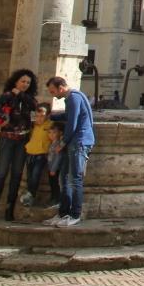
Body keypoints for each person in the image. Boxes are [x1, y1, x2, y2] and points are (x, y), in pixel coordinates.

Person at [44, 75, 95, 227]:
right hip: (75, 142)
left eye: (53, 91)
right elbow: (69, 116)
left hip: (79, 142)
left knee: (75, 179)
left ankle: (75, 214)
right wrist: (52, 116)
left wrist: (63, 141)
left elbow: (72, 122)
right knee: (64, 179)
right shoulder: (74, 97)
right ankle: (63, 213)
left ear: (61, 88)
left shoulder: (73, 98)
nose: (53, 95)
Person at [0, 68, 38, 221]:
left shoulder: (29, 99)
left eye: (28, 82)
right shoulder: (7, 96)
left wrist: (20, 94)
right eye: (22, 81)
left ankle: (9, 211)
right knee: (1, 173)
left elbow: (35, 107)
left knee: (17, 174)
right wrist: (3, 116)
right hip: (7, 138)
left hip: (22, 140)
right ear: (16, 81)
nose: (25, 84)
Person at [20, 102, 52, 206]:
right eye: (37, 116)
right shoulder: (33, 126)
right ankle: (30, 197)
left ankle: (30, 195)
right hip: (30, 153)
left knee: (35, 175)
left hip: (41, 154)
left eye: (42, 116)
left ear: (47, 115)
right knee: (29, 176)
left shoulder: (50, 125)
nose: (39, 118)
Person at [47, 121, 63, 205]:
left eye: (54, 133)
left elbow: (58, 157)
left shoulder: (58, 144)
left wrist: (53, 169)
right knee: (52, 184)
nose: (51, 135)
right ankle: (53, 197)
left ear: (60, 133)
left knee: (55, 185)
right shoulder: (51, 143)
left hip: (55, 169)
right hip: (50, 168)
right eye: (49, 133)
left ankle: (56, 198)